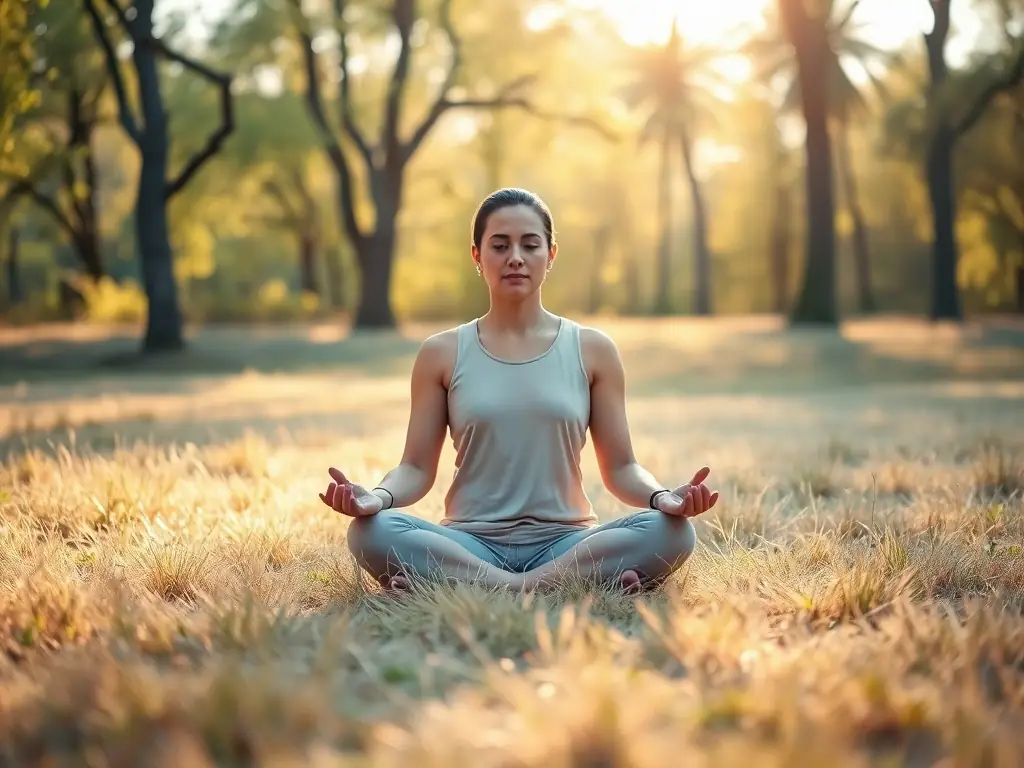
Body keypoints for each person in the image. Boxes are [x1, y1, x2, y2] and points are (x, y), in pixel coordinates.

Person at [319, 187, 718, 596]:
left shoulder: (593, 350)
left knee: (672, 533)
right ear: (477, 256)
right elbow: (417, 469)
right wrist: (378, 498)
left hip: (567, 543)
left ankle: (478, 586)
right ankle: (554, 588)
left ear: (551, 255)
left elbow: (621, 469)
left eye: (530, 245)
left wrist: (662, 498)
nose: (515, 257)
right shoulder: (440, 353)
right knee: (371, 532)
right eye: (500, 245)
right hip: (469, 543)